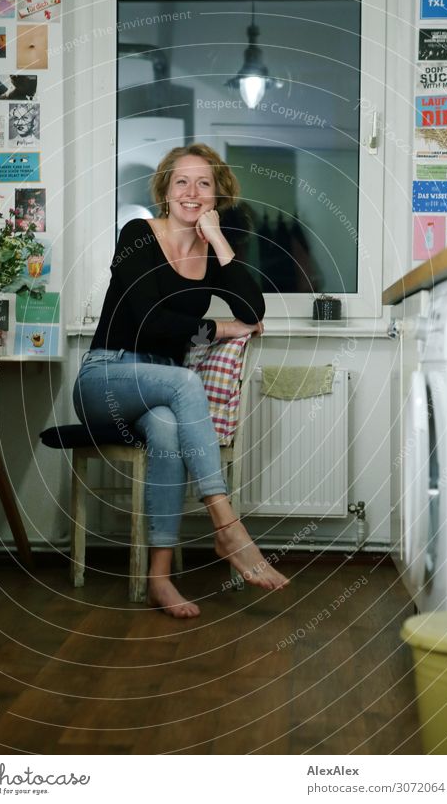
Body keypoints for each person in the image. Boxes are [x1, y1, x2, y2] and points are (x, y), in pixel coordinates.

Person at [73, 143, 289, 619]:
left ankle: (160, 579)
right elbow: (149, 322)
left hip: (160, 386)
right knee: (184, 384)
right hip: (105, 375)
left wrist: (221, 244)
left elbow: (253, 311)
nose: (192, 192)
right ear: (165, 192)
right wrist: (217, 328)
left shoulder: (212, 256)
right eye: (181, 182)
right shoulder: (137, 235)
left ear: (218, 195)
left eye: (204, 183)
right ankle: (227, 526)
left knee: (169, 427)